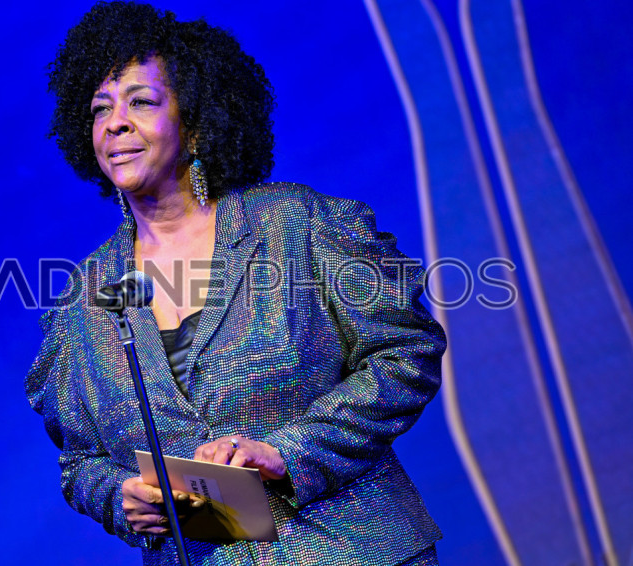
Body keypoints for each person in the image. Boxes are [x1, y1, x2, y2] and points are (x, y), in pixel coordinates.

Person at [26, 2, 446, 565]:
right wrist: (117, 498)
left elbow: (404, 354)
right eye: (100, 108)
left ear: (196, 124)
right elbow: (82, 461)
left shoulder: (296, 226)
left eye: (141, 102)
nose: (115, 123)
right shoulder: (85, 300)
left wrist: (287, 453)